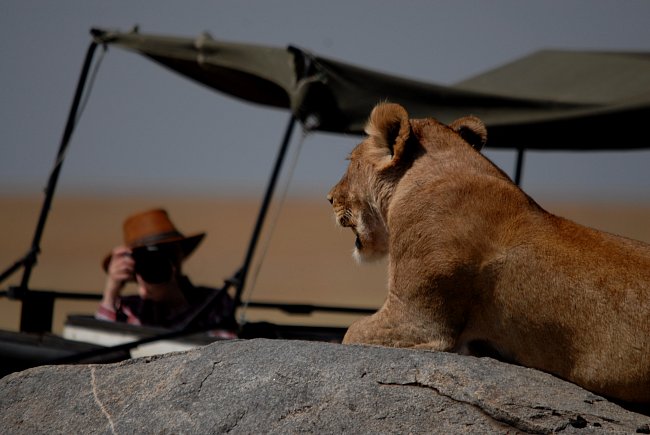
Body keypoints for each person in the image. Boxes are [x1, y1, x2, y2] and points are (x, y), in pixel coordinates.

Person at [95, 208, 237, 338]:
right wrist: (111, 292)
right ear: (133, 265)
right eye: (145, 260)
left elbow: (224, 349)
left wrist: (176, 301)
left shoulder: (214, 300)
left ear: (179, 256)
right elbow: (98, 344)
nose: (155, 265)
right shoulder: (130, 307)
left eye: (167, 253)